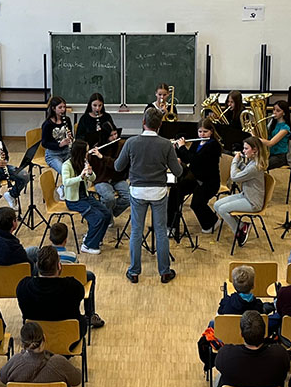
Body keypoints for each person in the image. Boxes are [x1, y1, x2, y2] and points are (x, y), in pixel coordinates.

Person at [114, 107, 183, 284]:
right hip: (159, 192)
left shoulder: (131, 142)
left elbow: (118, 167)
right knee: (161, 231)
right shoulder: (166, 144)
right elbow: (178, 171)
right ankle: (164, 271)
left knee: (136, 231)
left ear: (143, 123)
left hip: (137, 191)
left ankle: (134, 271)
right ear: (160, 125)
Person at [16, 246, 87, 336]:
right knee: (82, 320)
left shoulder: (23, 286)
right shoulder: (73, 286)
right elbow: (81, 294)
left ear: (37, 265)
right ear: (59, 265)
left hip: (35, 338)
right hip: (68, 338)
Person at [170, 119, 222, 233]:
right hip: (195, 178)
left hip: (209, 182)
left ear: (211, 132)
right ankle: (172, 225)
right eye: (200, 132)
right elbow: (185, 158)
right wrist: (177, 149)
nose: (202, 134)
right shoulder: (198, 142)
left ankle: (213, 222)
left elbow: (195, 160)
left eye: (205, 132)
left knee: (196, 204)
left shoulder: (213, 146)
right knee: (175, 191)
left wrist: (182, 147)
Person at [213, 136, 266, 248]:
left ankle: (238, 232)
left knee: (222, 209)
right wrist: (240, 163)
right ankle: (242, 226)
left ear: (255, 150)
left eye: (246, 149)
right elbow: (244, 171)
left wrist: (235, 161)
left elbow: (235, 177)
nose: (243, 151)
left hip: (253, 202)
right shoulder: (252, 162)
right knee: (217, 205)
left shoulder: (255, 167)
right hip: (246, 195)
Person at [62, 140, 111, 254]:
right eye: (86, 151)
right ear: (80, 152)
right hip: (74, 200)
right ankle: (88, 245)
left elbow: (93, 179)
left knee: (107, 214)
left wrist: (89, 172)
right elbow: (66, 182)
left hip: (85, 196)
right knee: (98, 218)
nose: (87, 153)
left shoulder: (83, 161)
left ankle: (94, 238)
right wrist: (80, 177)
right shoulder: (67, 165)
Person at [48, 222, 102, 328]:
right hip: (68, 287)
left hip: (48, 286)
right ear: (66, 240)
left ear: (50, 239)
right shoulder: (71, 256)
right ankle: (89, 315)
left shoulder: (44, 255)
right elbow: (76, 271)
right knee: (90, 275)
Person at [0, 207, 39, 275]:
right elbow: (29, 266)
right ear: (13, 223)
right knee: (41, 266)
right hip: (10, 278)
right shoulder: (13, 248)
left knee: (33, 250)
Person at [86, 127, 130, 219]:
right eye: (111, 135)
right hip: (102, 179)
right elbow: (94, 170)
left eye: (115, 134)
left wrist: (102, 157)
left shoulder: (120, 146)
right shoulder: (97, 147)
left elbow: (117, 165)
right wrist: (89, 156)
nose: (114, 137)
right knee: (109, 198)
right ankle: (107, 218)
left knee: (129, 197)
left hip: (117, 178)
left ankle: (108, 214)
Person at [41, 96, 75, 176]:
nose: (63, 109)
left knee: (76, 169)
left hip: (67, 152)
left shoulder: (67, 120)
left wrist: (70, 138)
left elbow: (72, 137)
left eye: (64, 107)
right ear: (53, 108)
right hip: (53, 155)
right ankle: (64, 188)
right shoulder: (47, 124)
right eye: (60, 107)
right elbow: (44, 143)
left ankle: (70, 187)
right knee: (66, 173)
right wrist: (59, 145)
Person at [260, 101, 291, 170]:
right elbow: (264, 136)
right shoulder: (272, 123)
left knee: (260, 166)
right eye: (274, 109)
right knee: (253, 162)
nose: (274, 112)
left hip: (280, 157)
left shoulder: (285, 128)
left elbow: (270, 143)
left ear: (284, 113)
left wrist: (255, 138)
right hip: (270, 153)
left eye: (278, 111)